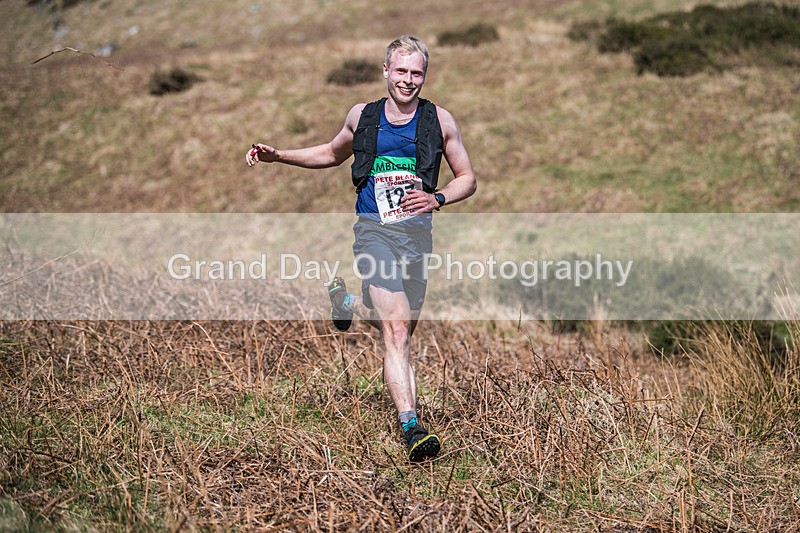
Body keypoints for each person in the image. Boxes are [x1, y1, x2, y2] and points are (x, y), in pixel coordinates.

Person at [246, 35, 476, 462]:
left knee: (399, 327)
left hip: (416, 238)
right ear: (385, 71)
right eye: (401, 70)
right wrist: (280, 156)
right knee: (397, 331)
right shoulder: (363, 116)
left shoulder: (440, 121)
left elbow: (468, 177)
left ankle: (347, 302)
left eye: (417, 73)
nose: (408, 80)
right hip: (374, 233)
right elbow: (331, 153)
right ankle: (411, 427)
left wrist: (438, 197)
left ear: (425, 76)